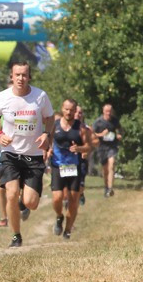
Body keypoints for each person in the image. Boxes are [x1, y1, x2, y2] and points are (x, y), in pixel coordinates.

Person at [0, 61, 54, 248]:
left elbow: (50, 118)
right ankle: (16, 235)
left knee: (31, 203)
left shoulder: (40, 96)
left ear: (29, 77)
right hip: (11, 154)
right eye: (17, 75)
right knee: (11, 194)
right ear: (11, 76)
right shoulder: (2, 97)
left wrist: (46, 135)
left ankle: (23, 205)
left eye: (24, 75)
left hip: (33, 155)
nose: (20, 78)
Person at [47, 99, 93, 240]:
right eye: (66, 109)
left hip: (74, 166)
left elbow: (89, 146)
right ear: (62, 109)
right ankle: (59, 216)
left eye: (71, 110)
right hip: (57, 165)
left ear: (75, 111)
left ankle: (67, 231)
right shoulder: (55, 125)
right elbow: (48, 140)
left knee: (73, 201)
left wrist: (79, 148)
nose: (69, 112)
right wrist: (48, 150)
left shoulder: (81, 128)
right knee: (57, 198)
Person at [92, 103, 122, 198]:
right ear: (103, 111)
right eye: (106, 111)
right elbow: (92, 135)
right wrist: (101, 134)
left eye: (110, 111)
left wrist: (119, 135)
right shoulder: (98, 122)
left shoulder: (115, 121)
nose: (108, 113)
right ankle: (106, 187)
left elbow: (120, 130)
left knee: (112, 165)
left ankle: (110, 188)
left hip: (112, 146)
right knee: (105, 170)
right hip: (102, 147)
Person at [74, 105, 96, 205]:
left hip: (81, 160)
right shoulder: (64, 126)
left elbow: (95, 141)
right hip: (66, 160)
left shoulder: (87, 129)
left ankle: (80, 194)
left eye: (80, 113)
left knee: (80, 183)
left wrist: (87, 151)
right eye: (76, 112)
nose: (78, 115)